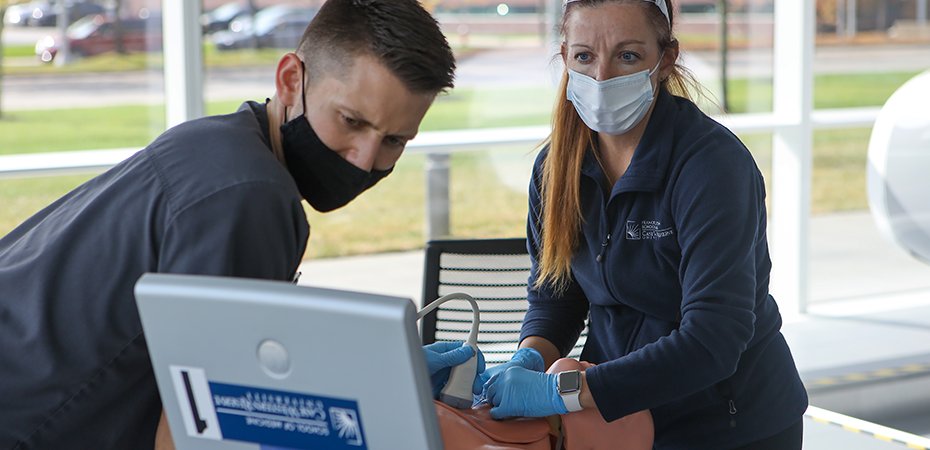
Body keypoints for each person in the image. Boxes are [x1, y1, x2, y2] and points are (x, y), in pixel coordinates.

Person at [0, 1, 468, 448]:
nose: (365, 160)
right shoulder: (252, 197)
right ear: (290, 80)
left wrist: (363, 377)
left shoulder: (218, 143)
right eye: (350, 121)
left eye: (394, 141)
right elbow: (197, 429)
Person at [477, 0, 809, 449]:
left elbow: (713, 340)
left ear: (665, 59)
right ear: (564, 56)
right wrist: (529, 360)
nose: (601, 77)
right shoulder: (555, 168)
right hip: (617, 421)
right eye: (584, 56)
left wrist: (565, 392)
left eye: (627, 55)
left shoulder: (712, 167)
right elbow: (556, 297)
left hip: (727, 425)